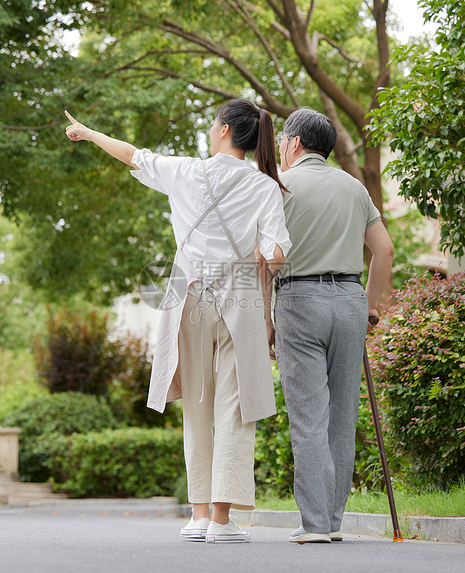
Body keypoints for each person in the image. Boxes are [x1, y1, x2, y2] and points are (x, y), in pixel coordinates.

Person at [63, 100, 291, 544]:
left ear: (224, 129)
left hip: (186, 294)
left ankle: (199, 516)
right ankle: (223, 521)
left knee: (198, 404)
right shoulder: (265, 186)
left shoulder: (187, 171)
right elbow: (276, 253)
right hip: (239, 297)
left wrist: (89, 134)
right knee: (234, 404)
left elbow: (132, 155)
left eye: (212, 124)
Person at [265, 108, 394, 543]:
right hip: (351, 299)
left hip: (299, 300)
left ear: (295, 143)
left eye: (283, 140)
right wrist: (372, 306)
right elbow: (384, 249)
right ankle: (333, 522)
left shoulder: (278, 186)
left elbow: (268, 259)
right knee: (342, 416)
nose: (281, 148)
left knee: (308, 417)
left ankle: (315, 525)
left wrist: (267, 318)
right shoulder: (353, 186)